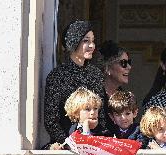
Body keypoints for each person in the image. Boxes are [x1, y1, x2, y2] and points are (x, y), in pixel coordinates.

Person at [43, 20, 106, 148]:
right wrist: (69, 144)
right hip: (66, 148)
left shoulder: (96, 74)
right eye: (86, 41)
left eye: (93, 41)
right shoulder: (58, 76)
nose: (92, 45)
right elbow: (51, 120)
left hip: (93, 146)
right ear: (73, 41)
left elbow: (102, 115)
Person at [98, 40, 133, 135]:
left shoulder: (126, 96)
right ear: (108, 68)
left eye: (129, 62)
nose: (129, 67)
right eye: (123, 63)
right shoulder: (95, 96)